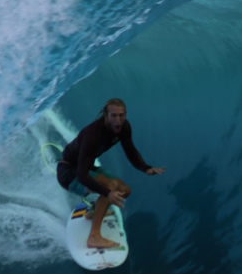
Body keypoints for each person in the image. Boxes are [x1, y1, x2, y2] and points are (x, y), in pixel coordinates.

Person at [56, 98, 164, 249]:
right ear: (105, 116)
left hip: (86, 168)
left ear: (125, 114)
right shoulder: (93, 134)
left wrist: (145, 168)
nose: (118, 120)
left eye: (121, 115)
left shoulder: (123, 128)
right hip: (69, 173)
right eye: (113, 115)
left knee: (125, 190)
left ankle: (92, 213)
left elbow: (131, 151)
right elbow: (81, 175)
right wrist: (107, 193)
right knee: (112, 188)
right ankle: (94, 237)